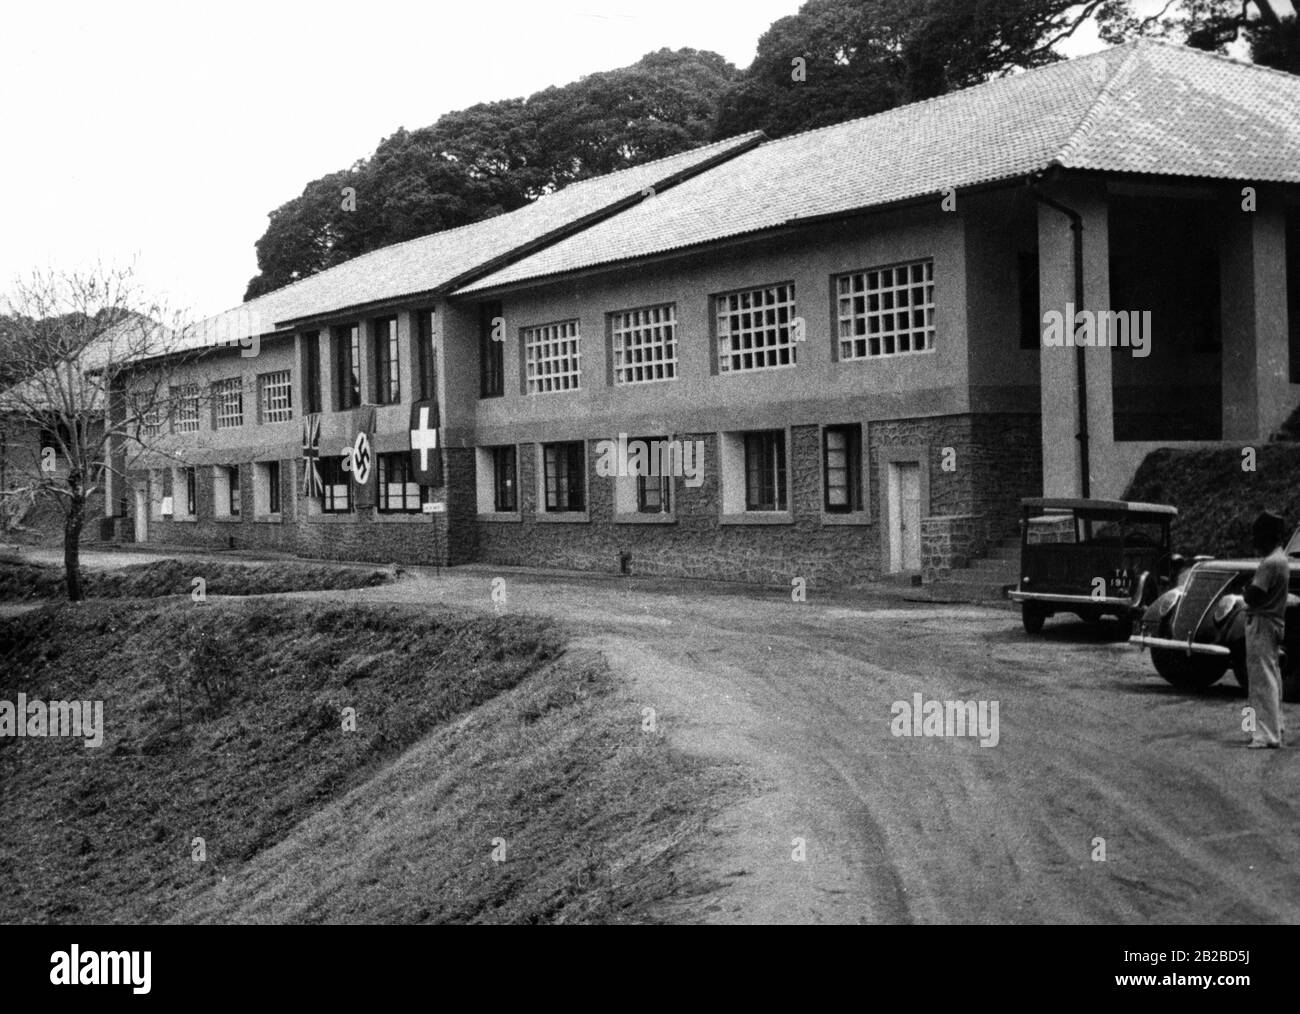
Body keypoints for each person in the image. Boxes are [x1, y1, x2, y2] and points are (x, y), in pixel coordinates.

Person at [1243, 510, 1289, 748]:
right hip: (1274, 622)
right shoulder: (1281, 559)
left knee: (1261, 680)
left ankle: (1266, 735)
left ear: (1267, 537)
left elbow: (1253, 596)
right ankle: (1271, 726)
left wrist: (1245, 590)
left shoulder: (1269, 564)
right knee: (1271, 676)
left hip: (1261, 622)